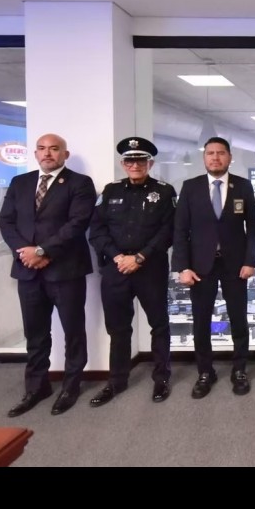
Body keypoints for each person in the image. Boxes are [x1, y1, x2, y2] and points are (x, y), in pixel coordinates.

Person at [0, 134, 96, 417]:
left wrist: (42, 251)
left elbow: (77, 223)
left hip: (66, 270)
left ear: (65, 154)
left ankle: (71, 386)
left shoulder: (80, 183)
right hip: (28, 271)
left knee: (73, 331)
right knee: (35, 333)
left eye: (54, 149)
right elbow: (6, 221)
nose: (47, 153)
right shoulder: (20, 182)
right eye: (42, 149)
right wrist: (25, 252)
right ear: (35, 153)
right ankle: (36, 387)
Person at [88, 137, 177, 407]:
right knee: (118, 328)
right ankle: (117, 380)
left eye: (140, 160)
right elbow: (97, 231)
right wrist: (118, 257)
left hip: (150, 269)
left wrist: (139, 257)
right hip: (116, 269)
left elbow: (169, 231)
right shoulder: (110, 191)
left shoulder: (164, 192)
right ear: (123, 163)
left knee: (159, 325)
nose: (135, 165)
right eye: (130, 160)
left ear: (150, 163)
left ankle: (161, 378)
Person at [172, 137, 255, 399]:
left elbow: (253, 228)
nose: (215, 157)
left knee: (239, 319)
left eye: (221, 153)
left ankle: (239, 370)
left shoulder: (243, 186)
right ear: (204, 157)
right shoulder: (191, 187)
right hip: (200, 266)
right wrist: (182, 267)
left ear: (230, 157)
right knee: (201, 322)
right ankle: (205, 372)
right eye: (210, 153)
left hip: (235, 265)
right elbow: (180, 230)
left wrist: (250, 261)